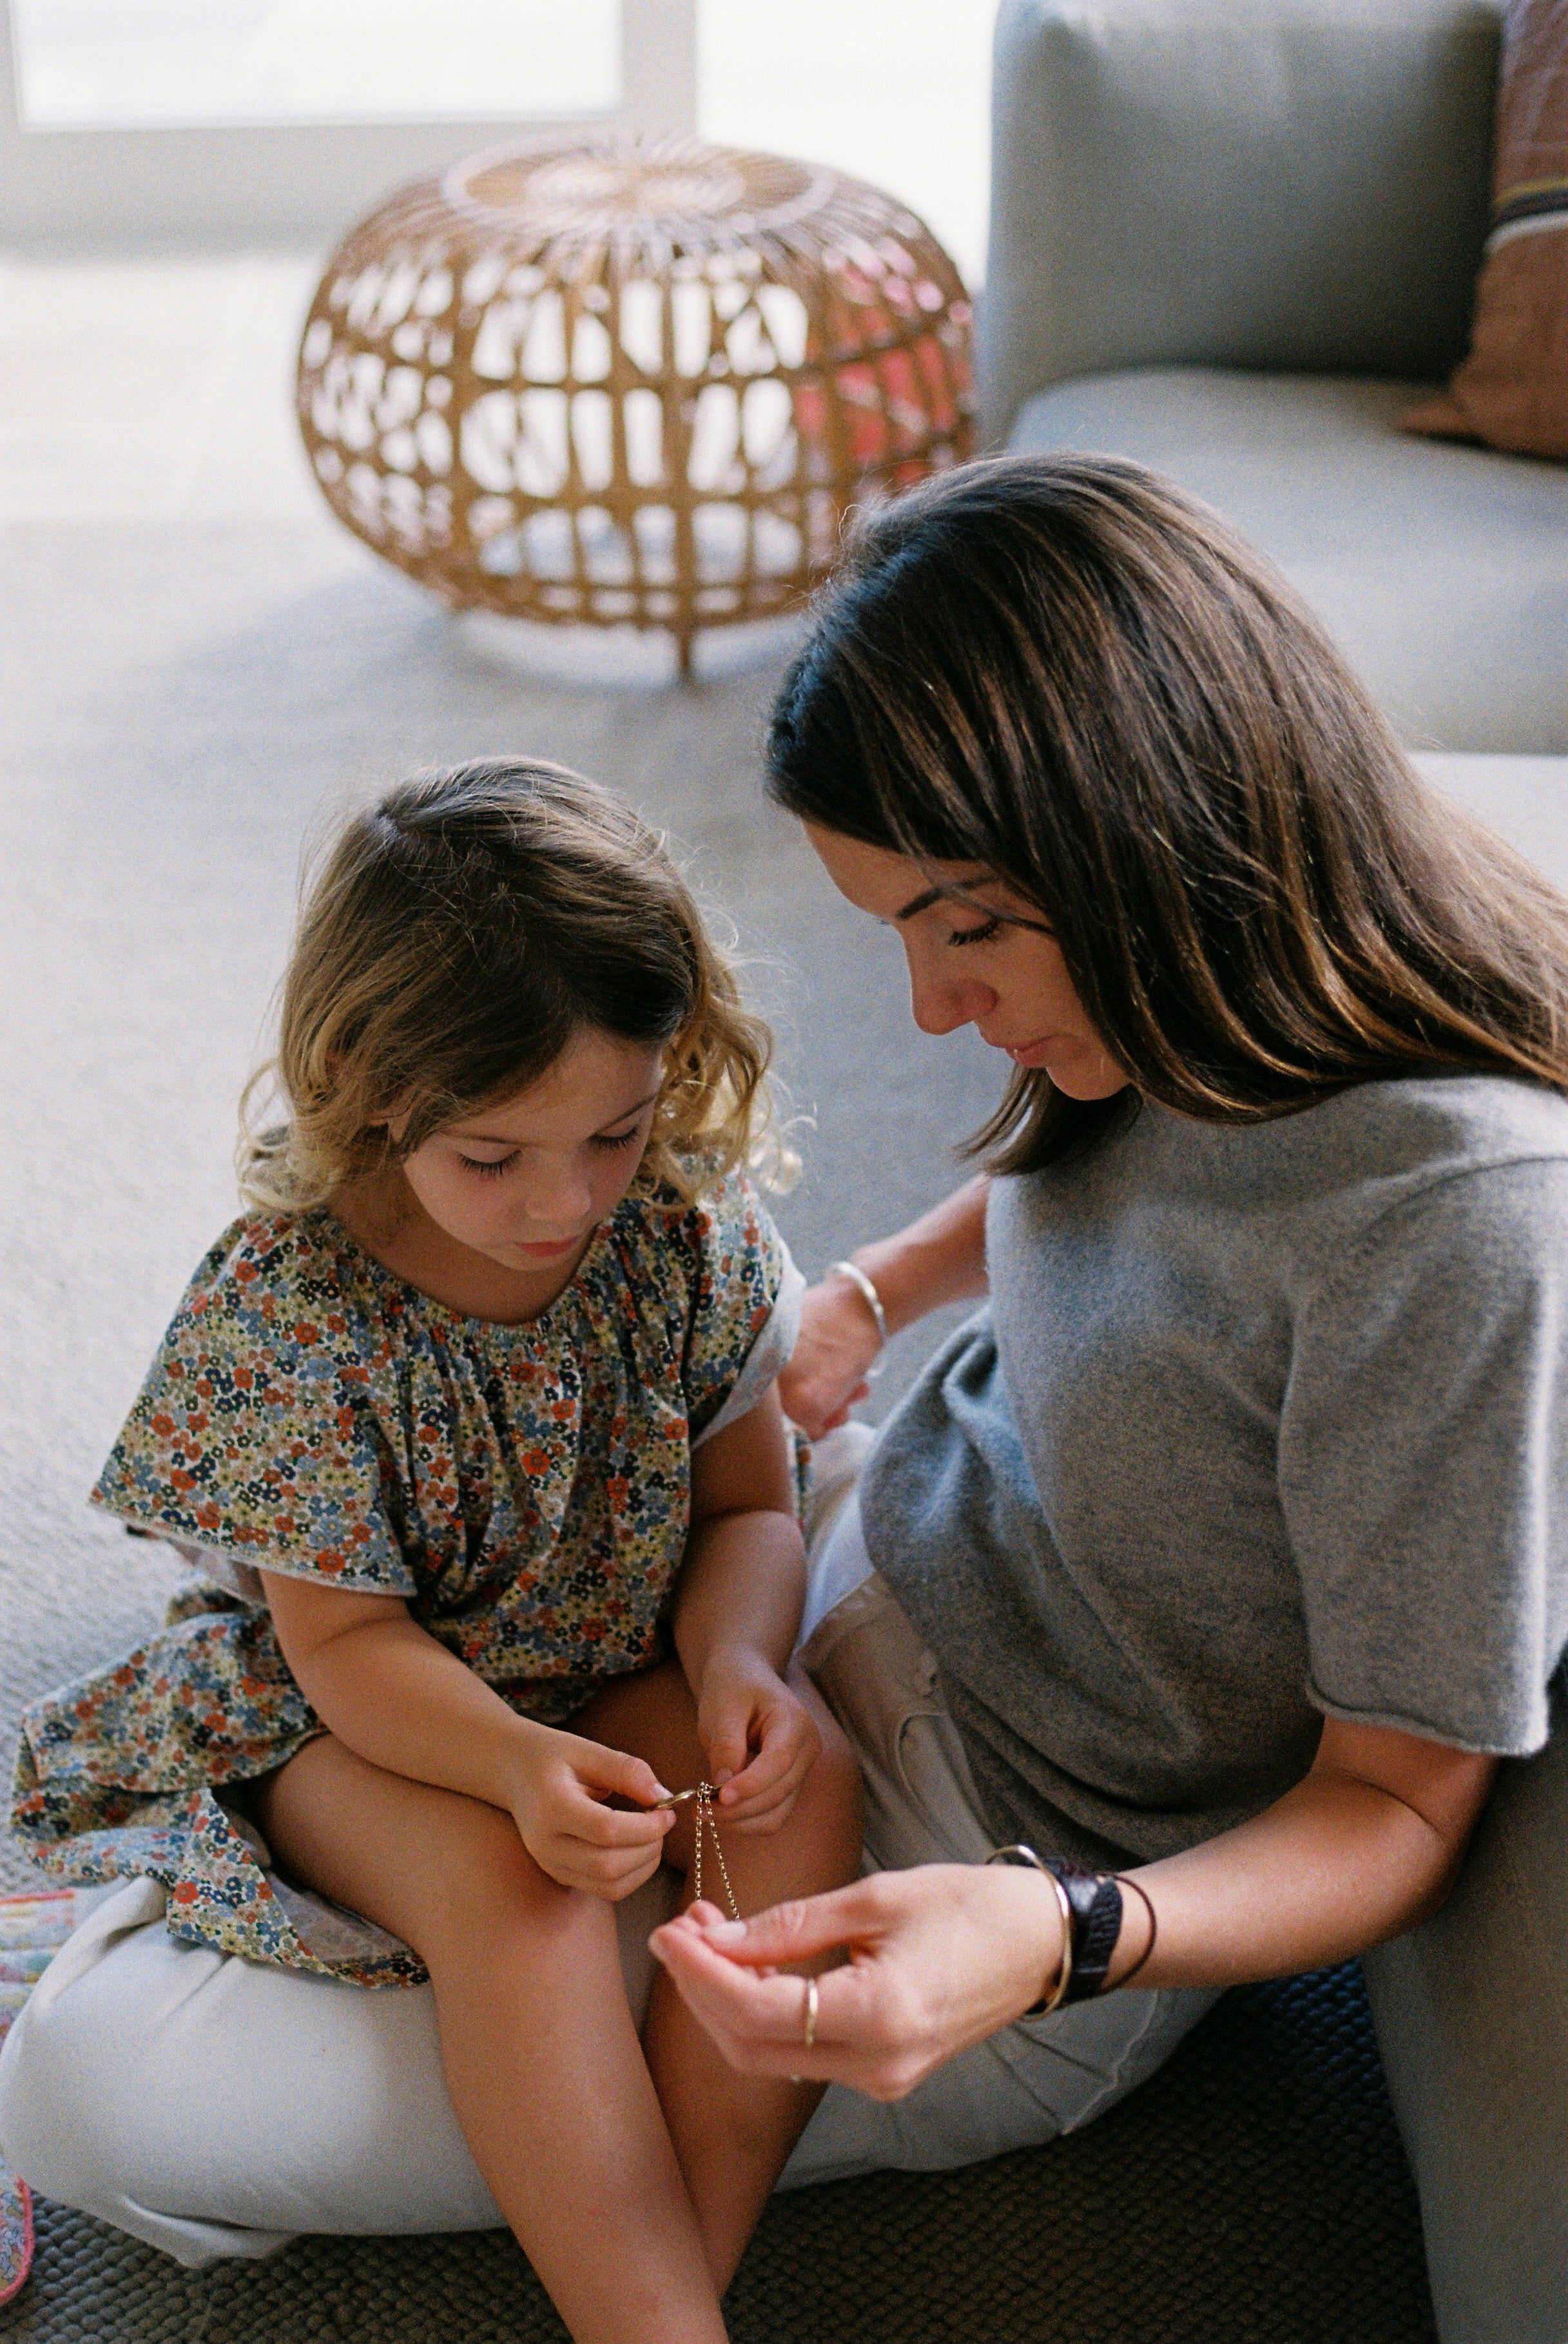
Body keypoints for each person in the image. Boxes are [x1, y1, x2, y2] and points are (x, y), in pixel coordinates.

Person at [649, 456, 1568, 2344]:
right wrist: (874, 1292)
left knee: (131, 2097)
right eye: (896, 928)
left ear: (1152, 826)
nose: (924, 1010)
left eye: (963, 923)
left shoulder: (1451, 1224)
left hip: (996, 1863)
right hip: (865, 1549)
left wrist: (1054, 1935)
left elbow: (1397, 1804)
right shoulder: (1209, 997)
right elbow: (1100, 1187)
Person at [6, 760, 863, 2344]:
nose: (566, 1201)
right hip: (366, 1712)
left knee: (795, 1798)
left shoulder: (674, 1228)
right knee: (509, 1882)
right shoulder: (291, 1313)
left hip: (612, 1650)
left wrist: (741, 1663)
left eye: (613, 1132)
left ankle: (672, 2290)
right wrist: (514, 1767)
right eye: (494, 1158)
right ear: (366, 1083)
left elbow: (751, 1504)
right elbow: (343, 1653)